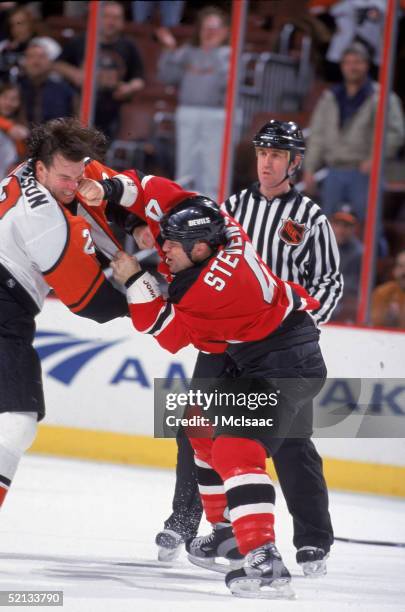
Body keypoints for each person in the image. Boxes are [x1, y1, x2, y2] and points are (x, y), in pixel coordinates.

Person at [109, 179, 327, 599]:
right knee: (200, 425)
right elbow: (184, 198)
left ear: (201, 249)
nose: (163, 250)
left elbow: (169, 334)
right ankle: (227, 535)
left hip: (284, 364)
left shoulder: (205, 292)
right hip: (265, 353)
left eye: (172, 244)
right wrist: (112, 186)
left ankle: (264, 558)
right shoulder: (231, 234)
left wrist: (136, 279)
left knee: (234, 447)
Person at [152, 120, 342, 577]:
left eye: (277, 154)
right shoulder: (233, 206)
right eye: (262, 152)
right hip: (222, 337)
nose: (267, 161)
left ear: (294, 162)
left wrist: (296, 328)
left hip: (276, 343)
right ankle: (189, 519)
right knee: (193, 425)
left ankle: (313, 539)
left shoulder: (310, 217)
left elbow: (330, 282)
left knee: (292, 442)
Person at [0, 117, 140, 515]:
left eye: (78, 175)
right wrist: (146, 301)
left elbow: (94, 181)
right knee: (16, 424)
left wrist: (131, 220)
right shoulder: (44, 219)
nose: (74, 185)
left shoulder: (37, 166)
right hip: (4, 308)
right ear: (41, 169)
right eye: (65, 178)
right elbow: (91, 304)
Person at [303, 42, 405, 221]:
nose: (352, 67)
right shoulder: (331, 97)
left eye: (357, 62)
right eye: (348, 62)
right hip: (333, 170)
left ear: (366, 64)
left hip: (364, 172)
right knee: (329, 227)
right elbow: (318, 135)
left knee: (368, 228)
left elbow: (396, 133)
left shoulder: (381, 97)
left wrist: (375, 158)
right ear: (342, 66)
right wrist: (310, 168)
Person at [157, 6, 232, 199]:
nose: (209, 34)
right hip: (187, 112)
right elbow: (167, 76)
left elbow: (229, 83)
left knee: (212, 165)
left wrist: (213, 52)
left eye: (214, 29)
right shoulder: (188, 52)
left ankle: (214, 207)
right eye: (206, 29)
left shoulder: (229, 54)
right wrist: (169, 51)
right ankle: (184, 205)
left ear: (224, 32)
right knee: (186, 164)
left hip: (216, 114)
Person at [55, 0, 145, 140]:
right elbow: (58, 64)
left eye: (116, 18)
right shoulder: (81, 41)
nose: (111, 22)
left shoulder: (128, 46)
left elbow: (139, 79)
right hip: (79, 107)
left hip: (112, 111)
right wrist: (75, 74)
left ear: (122, 22)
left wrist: (129, 87)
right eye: (107, 16)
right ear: (98, 18)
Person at [18, 37, 74, 125]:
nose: (35, 62)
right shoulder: (17, 87)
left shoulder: (64, 90)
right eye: (30, 57)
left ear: (51, 62)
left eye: (41, 57)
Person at [330, 204, 363, 322]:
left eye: (346, 225)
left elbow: (351, 288)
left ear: (355, 228)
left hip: (343, 308)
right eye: (337, 224)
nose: (341, 229)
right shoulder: (320, 246)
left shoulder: (359, 254)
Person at [0, 81, 28, 178]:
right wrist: (8, 127)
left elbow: (21, 155)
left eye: (13, 99)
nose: (8, 103)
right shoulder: (10, 126)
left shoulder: (22, 126)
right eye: (4, 97)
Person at [371, 250, 405, 328]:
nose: (404, 271)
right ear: (394, 270)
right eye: (400, 266)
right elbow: (373, 327)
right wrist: (388, 318)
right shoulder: (382, 293)